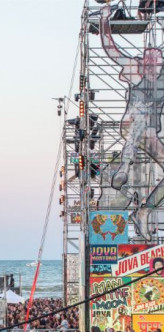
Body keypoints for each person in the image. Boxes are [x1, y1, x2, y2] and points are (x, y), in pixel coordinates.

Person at [100, 4, 164, 240]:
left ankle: (145, 210)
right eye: (149, 62)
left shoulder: (162, 78)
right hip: (131, 126)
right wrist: (105, 21)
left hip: (150, 134)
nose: (152, 66)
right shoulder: (135, 70)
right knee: (142, 112)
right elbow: (111, 49)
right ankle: (124, 168)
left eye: (156, 63)